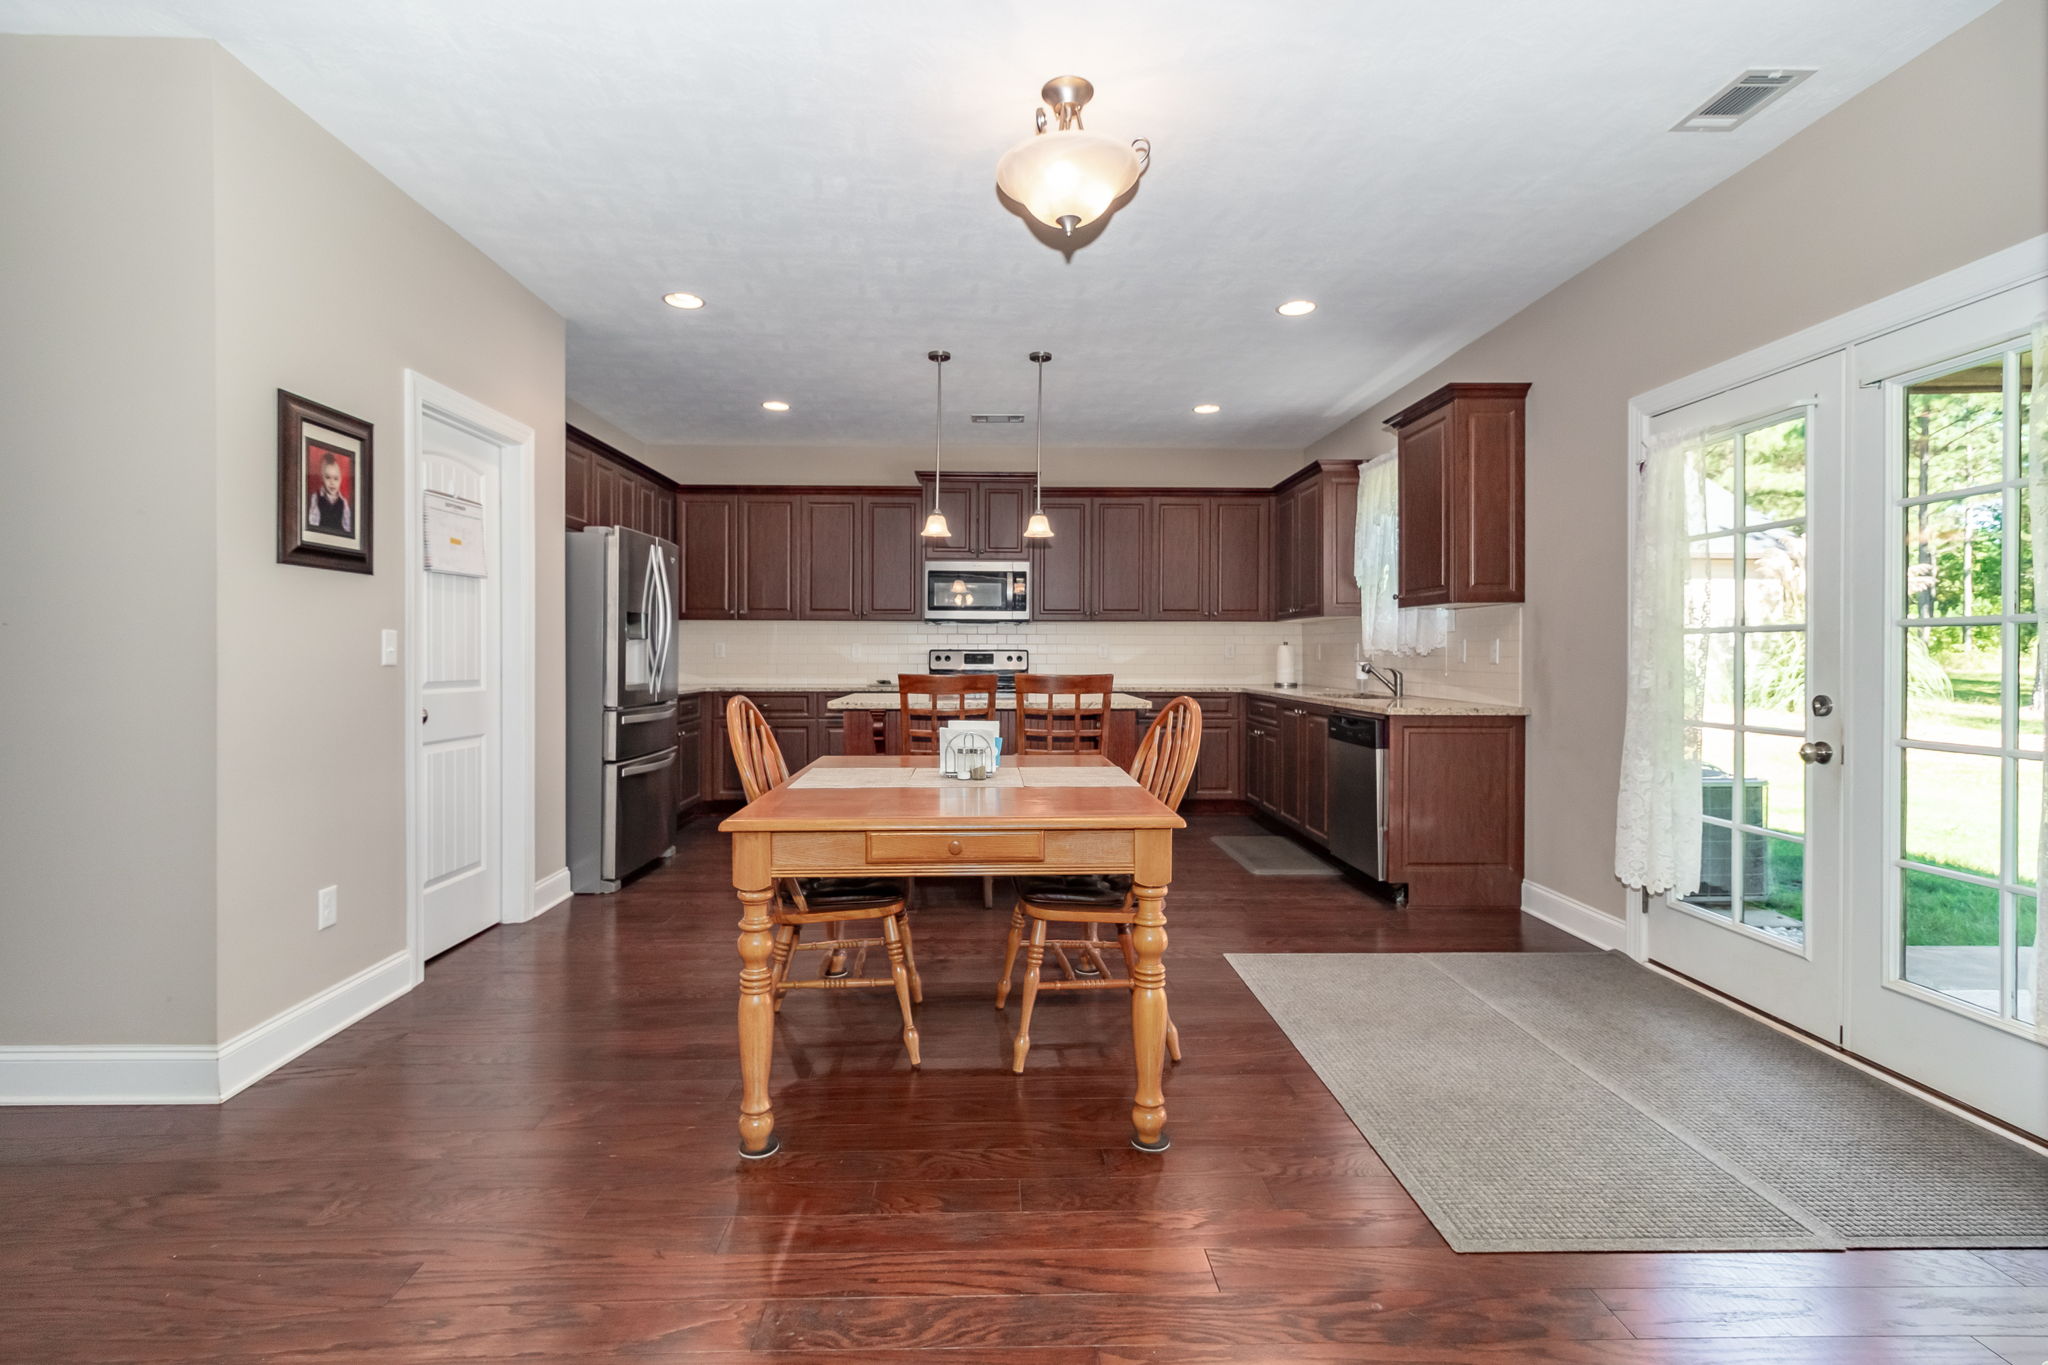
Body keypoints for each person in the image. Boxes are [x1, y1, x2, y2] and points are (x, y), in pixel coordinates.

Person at [307, 450, 352, 535]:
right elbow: (313, 522)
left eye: (336, 478)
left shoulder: (343, 502)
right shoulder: (316, 497)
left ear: (340, 480)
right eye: (328, 477)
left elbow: (348, 527)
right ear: (322, 478)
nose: (332, 482)